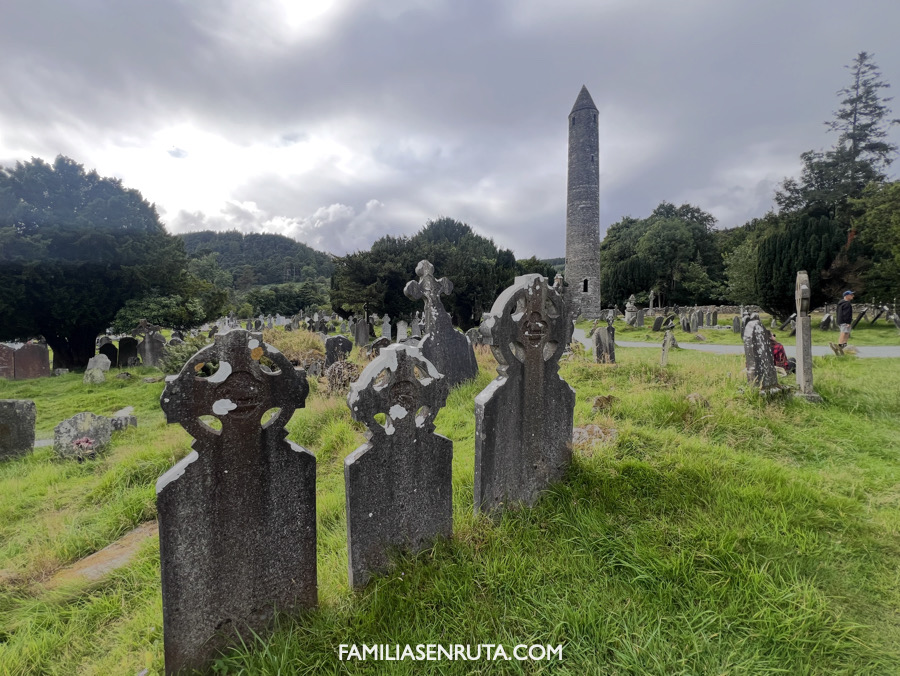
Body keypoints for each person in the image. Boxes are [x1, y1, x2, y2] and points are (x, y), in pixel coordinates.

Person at [830, 290, 855, 355]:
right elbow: (847, 314)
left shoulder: (840, 303)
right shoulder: (847, 303)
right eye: (851, 295)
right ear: (847, 296)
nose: (853, 296)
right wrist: (848, 322)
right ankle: (841, 345)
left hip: (840, 320)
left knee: (846, 332)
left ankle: (844, 344)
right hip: (844, 321)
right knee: (844, 332)